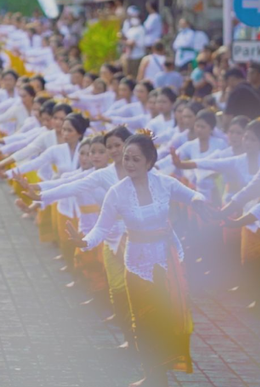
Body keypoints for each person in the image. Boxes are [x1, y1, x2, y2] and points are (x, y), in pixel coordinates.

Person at [68, 132, 206, 387]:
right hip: (137, 263)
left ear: (149, 162)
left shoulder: (164, 183)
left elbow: (192, 195)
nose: (129, 164)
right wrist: (85, 242)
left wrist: (199, 202)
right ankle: (153, 375)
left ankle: (163, 370)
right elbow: (101, 228)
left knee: (167, 317)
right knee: (143, 320)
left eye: (135, 159)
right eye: (126, 158)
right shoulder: (117, 192)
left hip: (166, 260)